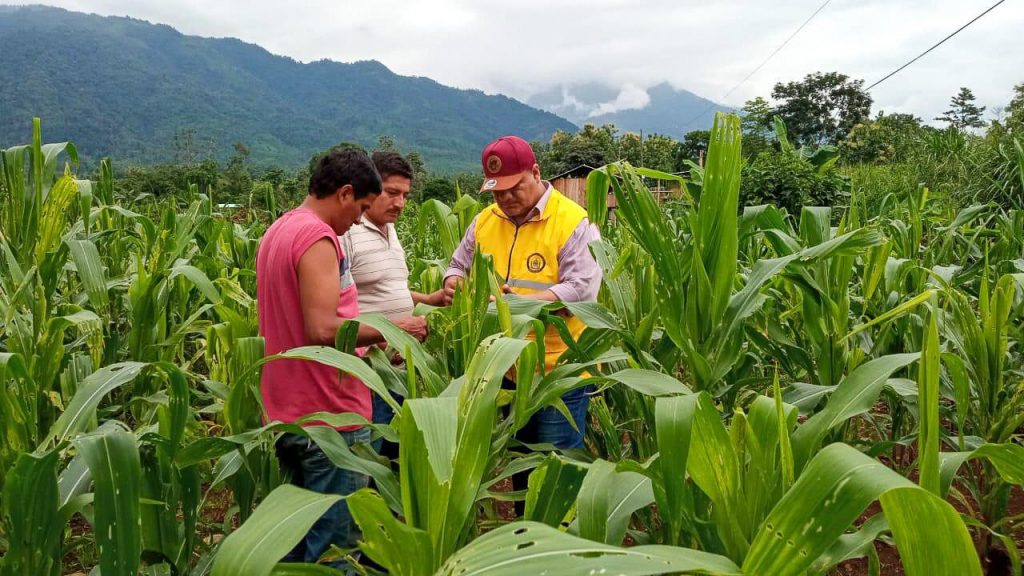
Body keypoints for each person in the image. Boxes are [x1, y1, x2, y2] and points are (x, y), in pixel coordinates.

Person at [256, 148, 427, 567]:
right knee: (337, 550)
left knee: (296, 544)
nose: (358, 219)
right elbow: (322, 329)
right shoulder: (317, 238)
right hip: (330, 417)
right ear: (346, 193)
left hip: (288, 411)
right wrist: (392, 329)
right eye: (362, 207)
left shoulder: (277, 231)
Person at [442, 135, 602, 450]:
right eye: (498, 191)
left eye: (515, 187)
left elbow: (581, 291)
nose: (506, 198)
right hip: (506, 370)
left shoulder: (571, 221)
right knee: (520, 465)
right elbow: (456, 267)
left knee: (554, 470)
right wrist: (457, 287)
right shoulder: (484, 221)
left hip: (559, 373)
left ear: (537, 173)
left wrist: (515, 305)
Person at [339, 150, 442, 451]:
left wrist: (429, 299)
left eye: (406, 195)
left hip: (399, 371)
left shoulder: (391, 230)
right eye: (392, 192)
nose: (400, 203)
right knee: (373, 461)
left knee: (396, 457)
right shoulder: (348, 233)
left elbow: (389, 287)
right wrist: (384, 336)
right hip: (369, 373)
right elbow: (336, 303)